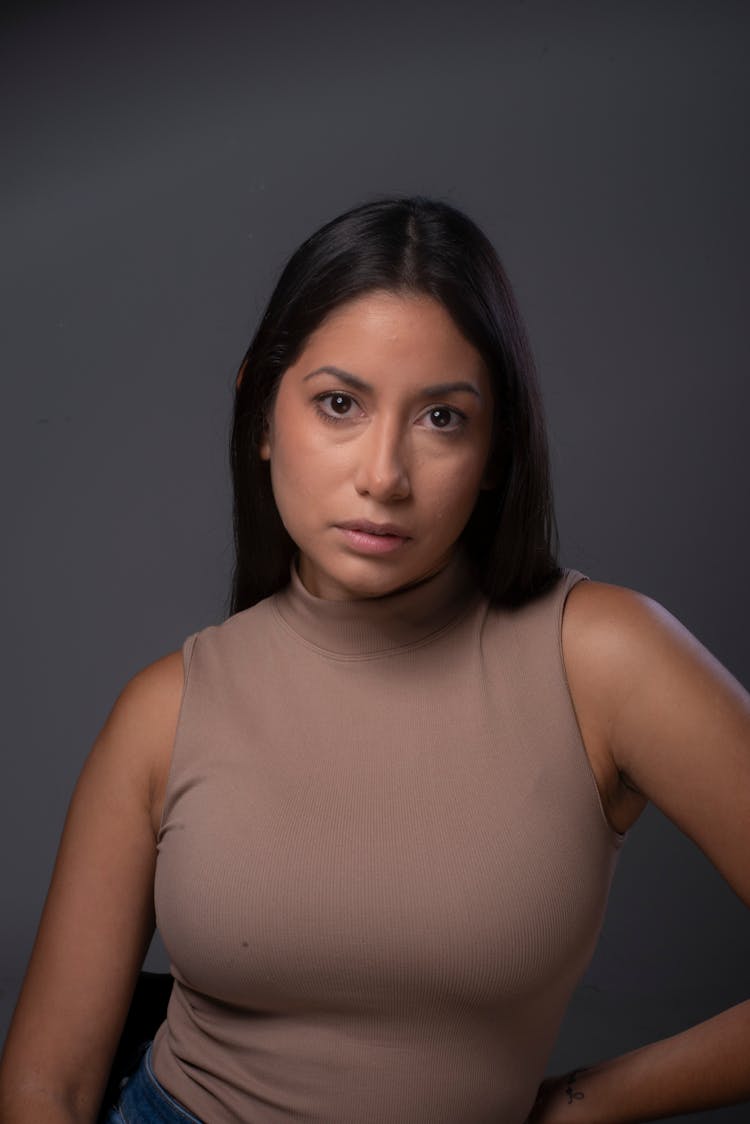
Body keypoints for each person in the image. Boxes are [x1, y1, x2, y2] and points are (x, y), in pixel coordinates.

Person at [0, 195, 748, 1124]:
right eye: (339, 404)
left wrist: (589, 1103)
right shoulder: (167, 706)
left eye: (442, 418)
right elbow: (48, 1087)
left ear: (494, 452)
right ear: (263, 415)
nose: (384, 476)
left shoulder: (605, 659)